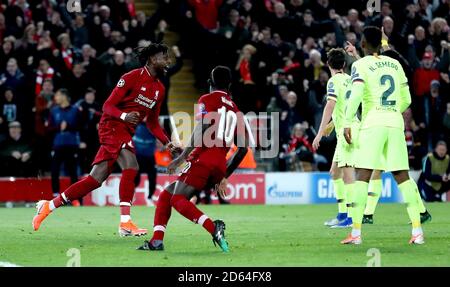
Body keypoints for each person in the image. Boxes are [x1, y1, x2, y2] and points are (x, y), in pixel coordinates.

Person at [32, 43, 180, 237]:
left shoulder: (159, 89)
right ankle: (125, 222)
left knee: (95, 179)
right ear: (152, 59)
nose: (167, 61)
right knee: (132, 165)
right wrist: (124, 117)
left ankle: (49, 206)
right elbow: (107, 106)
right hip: (111, 125)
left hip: (125, 131)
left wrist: (167, 142)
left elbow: (152, 123)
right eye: (163, 56)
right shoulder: (131, 77)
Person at [137, 66, 250, 252]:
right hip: (219, 163)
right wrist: (224, 176)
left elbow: (202, 128)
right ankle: (156, 241)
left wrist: (181, 157)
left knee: (177, 199)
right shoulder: (236, 110)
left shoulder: (207, 99)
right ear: (229, 85)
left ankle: (214, 228)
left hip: (203, 159)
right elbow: (243, 149)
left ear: (210, 83)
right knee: (167, 195)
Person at [342, 27, 425, 245]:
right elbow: (407, 99)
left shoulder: (359, 65)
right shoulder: (395, 64)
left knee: (363, 175)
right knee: (402, 175)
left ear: (362, 44)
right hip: (395, 121)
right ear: (381, 44)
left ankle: (356, 234)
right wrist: (392, 111)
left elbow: (358, 94)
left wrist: (349, 120)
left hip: (373, 122)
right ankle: (417, 232)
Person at [47, 89, 81, 204]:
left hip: (71, 145)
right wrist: (58, 127)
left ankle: (75, 198)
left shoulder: (75, 110)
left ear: (64, 96)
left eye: (57, 95)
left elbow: (80, 126)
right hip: (58, 145)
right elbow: (49, 128)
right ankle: (55, 196)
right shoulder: (53, 111)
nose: (55, 98)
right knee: (54, 171)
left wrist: (69, 126)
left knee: (73, 172)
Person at [132, 121, 157, 205]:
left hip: (150, 156)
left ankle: (150, 197)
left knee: (152, 176)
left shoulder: (154, 126)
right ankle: (131, 195)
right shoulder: (135, 124)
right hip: (138, 156)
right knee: (135, 177)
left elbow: (161, 137)